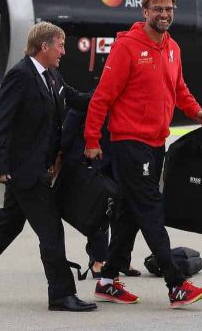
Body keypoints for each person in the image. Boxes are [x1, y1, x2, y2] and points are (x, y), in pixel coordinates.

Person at [84, 0, 202, 308]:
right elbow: (102, 97)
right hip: (129, 142)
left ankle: (108, 279)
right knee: (151, 209)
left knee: (129, 212)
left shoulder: (173, 48)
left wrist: (196, 110)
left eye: (169, 9)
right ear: (145, 12)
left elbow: (178, 88)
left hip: (156, 143)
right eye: (158, 9)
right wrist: (91, 140)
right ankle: (175, 283)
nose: (164, 14)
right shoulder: (127, 47)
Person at [0, 22, 96, 312]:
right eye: (60, 45)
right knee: (51, 232)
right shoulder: (21, 75)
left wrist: (109, 96)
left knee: (7, 227)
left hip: (36, 168)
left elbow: (75, 100)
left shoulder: (52, 76)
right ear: (44, 46)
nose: (64, 50)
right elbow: (1, 120)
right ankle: (61, 294)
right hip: (26, 171)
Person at [60, 95, 141, 279]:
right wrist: (62, 155)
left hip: (119, 158)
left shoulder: (130, 96)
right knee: (100, 209)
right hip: (94, 160)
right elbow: (70, 125)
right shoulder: (93, 96)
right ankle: (98, 259)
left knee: (124, 211)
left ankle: (121, 258)